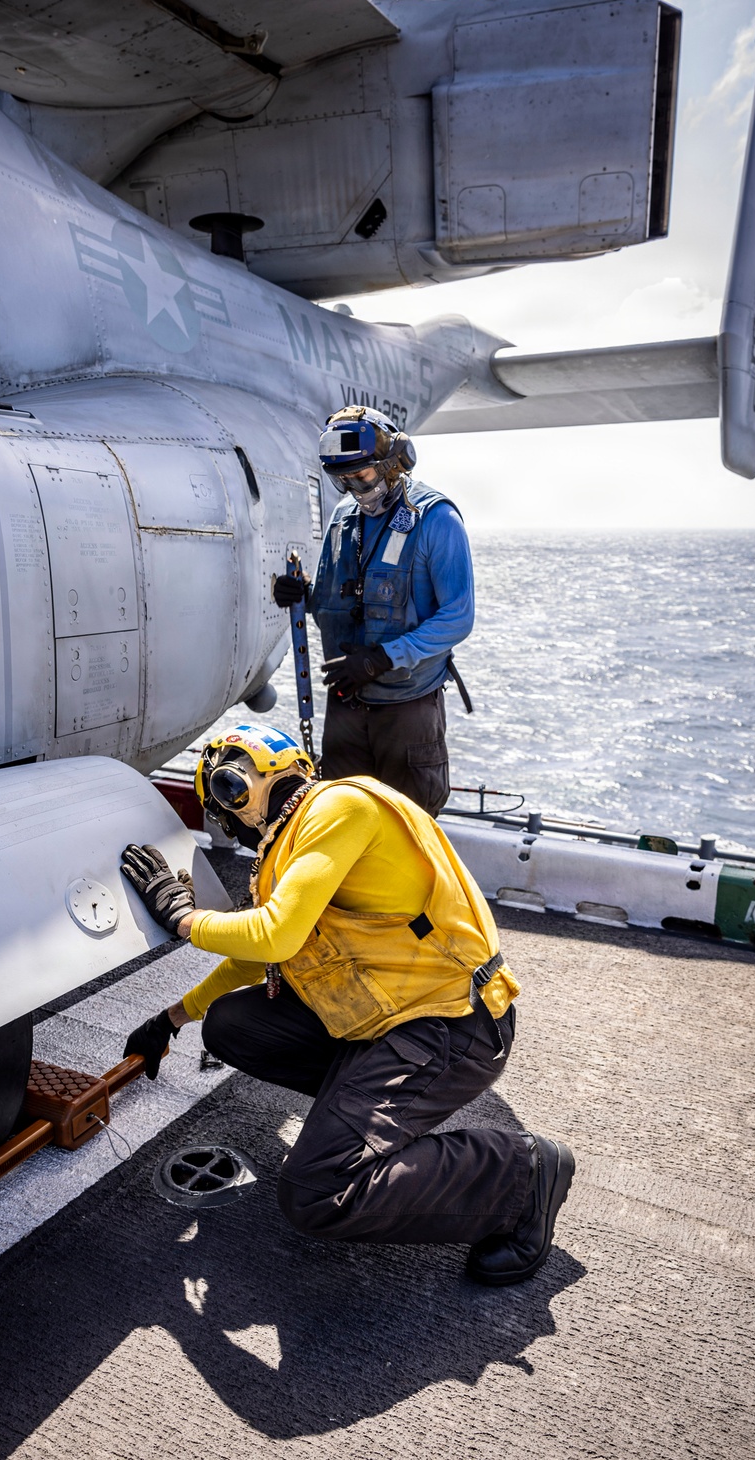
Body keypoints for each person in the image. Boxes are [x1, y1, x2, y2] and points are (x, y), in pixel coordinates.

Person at [121, 723, 575, 1285]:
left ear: (235, 793)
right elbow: (261, 961)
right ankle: (362, 1114)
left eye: (224, 812)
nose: (232, 829)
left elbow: (274, 936)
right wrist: (172, 1019)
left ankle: (520, 1176)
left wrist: (185, 918)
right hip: (391, 1023)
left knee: (316, 1192)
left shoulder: (339, 808)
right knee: (232, 1024)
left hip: (455, 1028)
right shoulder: (303, 834)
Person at [274, 406, 474, 818]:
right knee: (342, 818)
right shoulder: (343, 520)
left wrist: (384, 658)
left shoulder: (436, 519)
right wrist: (303, 594)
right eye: (342, 480)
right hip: (347, 702)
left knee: (408, 823)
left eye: (361, 476)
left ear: (394, 462)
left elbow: (458, 616)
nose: (354, 489)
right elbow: (334, 602)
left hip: (407, 709)